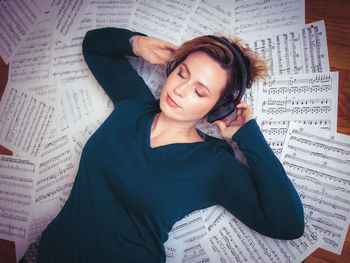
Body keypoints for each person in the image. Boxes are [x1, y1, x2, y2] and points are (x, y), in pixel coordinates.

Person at [21, 27, 304, 263]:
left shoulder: (214, 164)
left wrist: (247, 134)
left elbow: (287, 224)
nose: (180, 90)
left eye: (199, 91)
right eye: (182, 73)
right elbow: (93, 45)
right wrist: (135, 43)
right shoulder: (133, 103)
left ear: (217, 108)